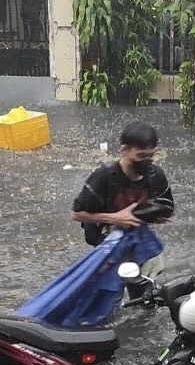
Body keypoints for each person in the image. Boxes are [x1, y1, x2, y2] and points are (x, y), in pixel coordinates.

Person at [71, 120, 174, 284]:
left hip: (138, 238)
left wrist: (156, 215)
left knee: (145, 287)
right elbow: (76, 214)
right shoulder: (103, 177)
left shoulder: (155, 175)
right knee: (110, 291)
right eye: (140, 156)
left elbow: (164, 205)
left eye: (150, 155)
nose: (146, 161)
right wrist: (115, 218)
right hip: (106, 240)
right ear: (124, 150)